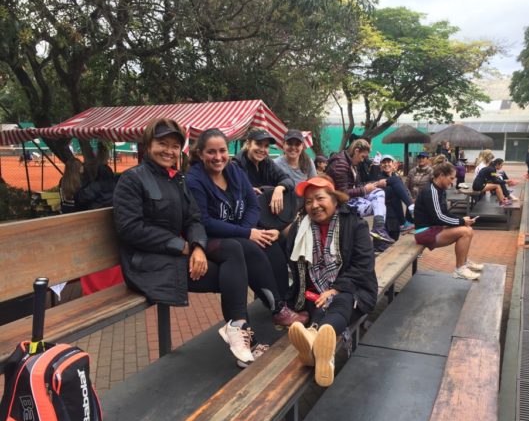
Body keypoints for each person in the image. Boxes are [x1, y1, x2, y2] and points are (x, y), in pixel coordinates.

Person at [113, 118, 258, 367]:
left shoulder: (177, 179)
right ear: (148, 145)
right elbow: (130, 229)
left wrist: (198, 246)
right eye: (162, 144)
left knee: (233, 251)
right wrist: (181, 246)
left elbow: (194, 219)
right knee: (232, 274)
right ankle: (243, 337)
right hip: (145, 264)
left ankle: (238, 330)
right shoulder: (132, 180)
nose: (169, 151)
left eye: (174, 146)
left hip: (172, 258)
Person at [186, 128, 307, 328]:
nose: (218, 157)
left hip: (239, 231)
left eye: (222, 151)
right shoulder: (195, 179)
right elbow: (204, 221)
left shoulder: (233, 171)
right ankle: (276, 308)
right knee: (249, 247)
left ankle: (285, 303)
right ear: (200, 153)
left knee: (270, 242)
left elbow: (253, 205)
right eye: (211, 152)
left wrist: (246, 230)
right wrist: (246, 233)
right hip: (212, 238)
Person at [286, 176, 377, 387]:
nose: (314, 206)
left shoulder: (355, 224)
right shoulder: (299, 228)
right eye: (308, 202)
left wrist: (335, 289)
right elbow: (293, 264)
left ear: (335, 199)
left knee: (341, 299)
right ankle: (321, 348)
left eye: (320, 198)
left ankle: (314, 336)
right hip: (314, 293)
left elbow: (364, 265)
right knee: (320, 301)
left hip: (355, 289)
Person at [413, 162, 483, 280]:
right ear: (441, 175)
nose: (452, 182)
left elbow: (445, 212)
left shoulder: (440, 189)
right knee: (465, 232)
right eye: (451, 178)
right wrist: (461, 222)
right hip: (424, 233)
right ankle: (459, 269)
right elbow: (439, 217)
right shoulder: (431, 191)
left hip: (433, 228)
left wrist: (461, 219)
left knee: (468, 229)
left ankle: (464, 262)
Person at [326, 138, 395, 244]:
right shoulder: (341, 164)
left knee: (380, 193)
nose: (362, 160)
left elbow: (356, 185)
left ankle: (379, 228)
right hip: (341, 204)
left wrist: (371, 185)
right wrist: (364, 189)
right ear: (356, 151)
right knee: (380, 206)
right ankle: (378, 232)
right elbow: (342, 193)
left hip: (352, 199)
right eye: (362, 156)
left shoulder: (350, 162)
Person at [378, 155, 415, 239]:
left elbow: (405, 191)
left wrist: (410, 199)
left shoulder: (396, 176)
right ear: (381, 165)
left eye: (388, 162)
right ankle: (404, 220)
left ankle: (404, 221)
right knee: (387, 238)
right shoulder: (378, 176)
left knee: (394, 237)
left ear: (393, 164)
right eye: (384, 162)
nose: (386, 164)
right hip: (386, 210)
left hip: (396, 211)